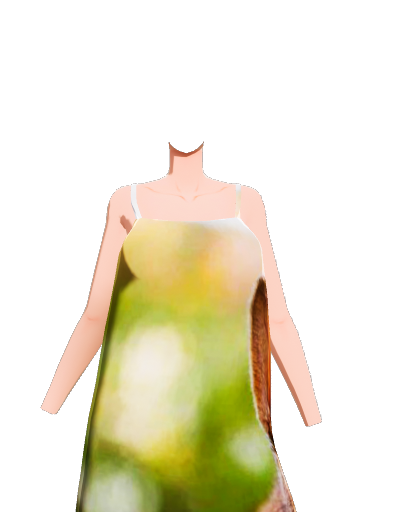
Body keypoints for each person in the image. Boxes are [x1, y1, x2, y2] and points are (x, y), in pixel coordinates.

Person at [42, 142, 321, 511]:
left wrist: (313, 419)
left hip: (237, 438)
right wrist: (50, 408)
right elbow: (94, 316)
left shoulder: (247, 202)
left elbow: (279, 318)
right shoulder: (126, 201)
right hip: (141, 441)